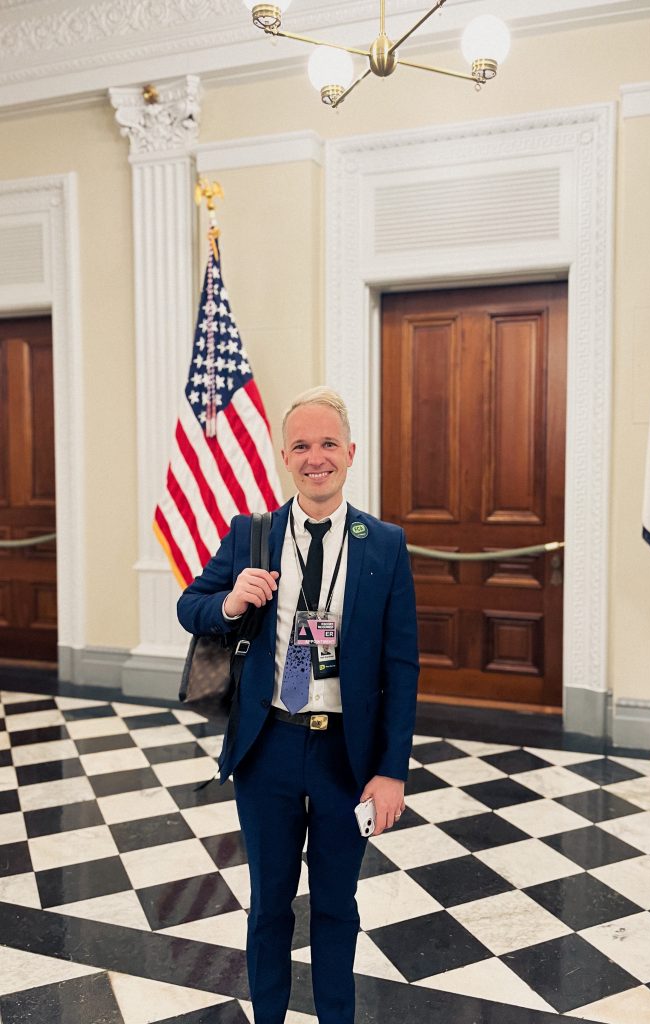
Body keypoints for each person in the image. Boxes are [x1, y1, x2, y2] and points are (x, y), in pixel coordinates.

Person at [177, 386, 419, 1024]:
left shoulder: (384, 544)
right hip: (270, 748)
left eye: (329, 444)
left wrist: (392, 770)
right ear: (286, 456)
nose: (317, 458)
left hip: (346, 754)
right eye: (303, 446)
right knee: (270, 905)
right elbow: (189, 607)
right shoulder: (251, 535)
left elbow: (402, 667)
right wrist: (231, 602)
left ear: (351, 453)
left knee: (338, 904)